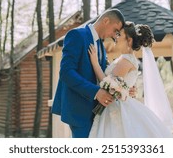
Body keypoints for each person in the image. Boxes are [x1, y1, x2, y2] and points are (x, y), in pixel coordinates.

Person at [88, 21, 173, 138]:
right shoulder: (123, 59)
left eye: (119, 35)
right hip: (116, 104)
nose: (116, 37)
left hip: (117, 109)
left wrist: (94, 63)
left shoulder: (126, 60)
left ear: (129, 40)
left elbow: (108, 83)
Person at [51, 8, 126, 138]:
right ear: (106, 21)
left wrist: (123, 88)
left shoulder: (101, 46)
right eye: (115, 30)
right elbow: (66, 72)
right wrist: (95, 92)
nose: (114, 35)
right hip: (79, 110)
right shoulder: (77, 35)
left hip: (97, 113)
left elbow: (103, 76)